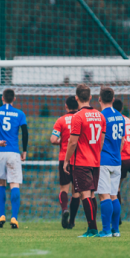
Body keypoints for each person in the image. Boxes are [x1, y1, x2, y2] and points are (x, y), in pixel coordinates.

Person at [63, 84, 106, 238]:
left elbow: (73, 142)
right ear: (90, 97)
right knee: (91, 195)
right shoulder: (100, 116)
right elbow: (101, 141)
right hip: (95, 160)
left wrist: (66, 160)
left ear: (76, 98)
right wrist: (95, 154)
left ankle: (93, 229)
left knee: (84, 195)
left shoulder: (77, 117)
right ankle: (93, 228)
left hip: (81, 161)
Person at [0, 89, 28, 229]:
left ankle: (1, 215)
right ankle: (14, 218)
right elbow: (25, 131)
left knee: (1, 183)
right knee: (14, 184)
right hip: (13, 152)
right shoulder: (20, 114)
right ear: (14, 99)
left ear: (2, 98)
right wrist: (24, 150)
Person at [95, 87, 125, 238]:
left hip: (104, 160)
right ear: (113, 99)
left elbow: (99, 140)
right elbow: (123, 142)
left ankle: (106, 230)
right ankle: (115, 230)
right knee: (114, 195)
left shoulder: (100, 116)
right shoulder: (121, 117)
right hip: (117, 160)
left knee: (104, 195)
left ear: (99, 99)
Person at [50, 96, 80, 229]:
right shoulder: (81, 119)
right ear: (78, 106)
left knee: (64, 188)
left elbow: (52, 139)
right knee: (76, 192)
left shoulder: (61, 120)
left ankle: (64, 210)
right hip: (79, 159)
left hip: (64, 158)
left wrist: (61, 142)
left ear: (66, 106)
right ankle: (72, 221)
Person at [114, 99, 130, 218]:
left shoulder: (114, 120)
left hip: (123, 156)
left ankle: (117, 216)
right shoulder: (129, 120)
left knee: (116, 187)